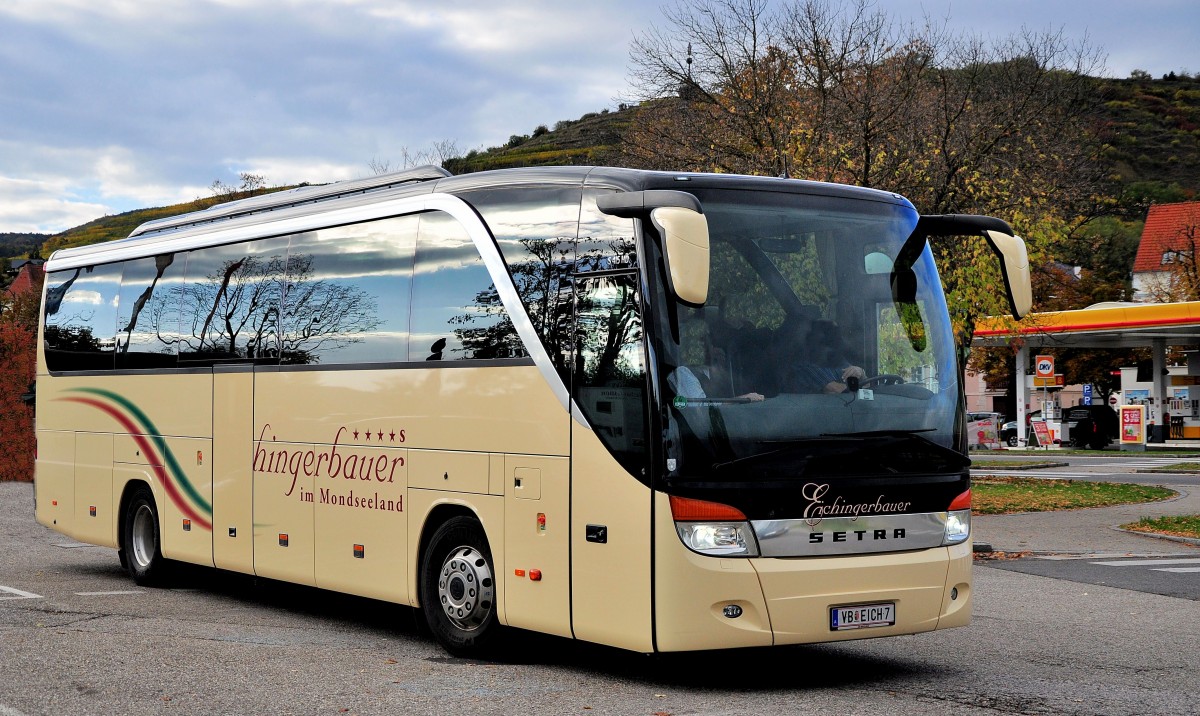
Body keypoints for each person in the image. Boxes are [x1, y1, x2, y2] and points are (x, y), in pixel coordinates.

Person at [787, 320, 865, 394]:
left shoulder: (837, 361)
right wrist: (863, 390)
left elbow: (868, 386)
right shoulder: (804, 365)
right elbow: (838, 390)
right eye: (830, 333)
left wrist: (861, 373)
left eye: (836, 333)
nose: (836, 338)